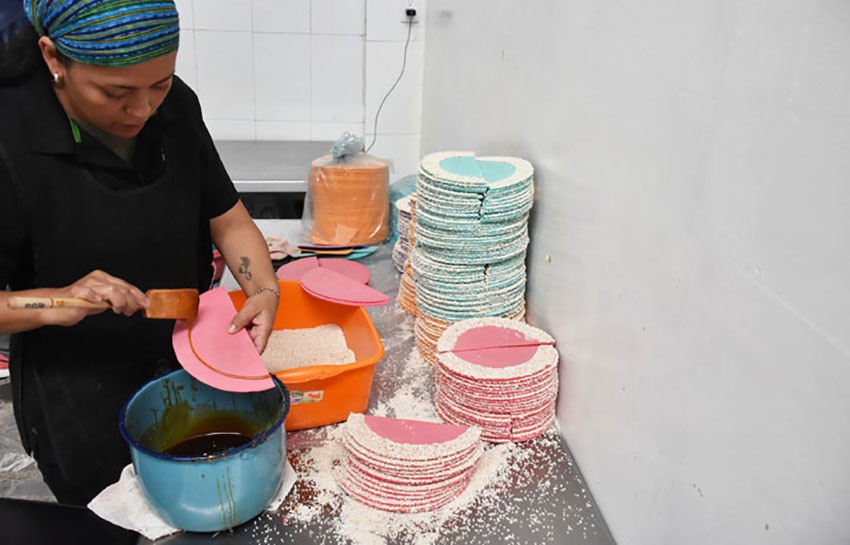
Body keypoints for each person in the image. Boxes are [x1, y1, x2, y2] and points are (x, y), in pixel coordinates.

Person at [0, 0, 280, 505]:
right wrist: (55, 301)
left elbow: (230, 219)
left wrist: (262, 287)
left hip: (188, 357)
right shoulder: (10, 138)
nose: (142, 110)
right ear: (52, 58)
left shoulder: (175, 108)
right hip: (82, 391)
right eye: (115, 93)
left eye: (161, 84)